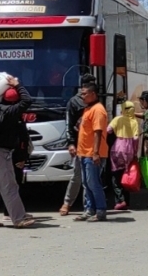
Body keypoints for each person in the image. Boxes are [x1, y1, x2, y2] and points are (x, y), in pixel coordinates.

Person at [0, 77, 36, 228]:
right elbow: (27, 100)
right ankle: (19, 219)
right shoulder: (11, 112)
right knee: (9, 186)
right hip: (2, 153)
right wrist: (18, 85)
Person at [59, 73, 96, 217]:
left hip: (94, 145)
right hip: (80, 144)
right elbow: (69, 124)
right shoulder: (74, 102)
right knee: (77, 176)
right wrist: (70, 143)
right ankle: (67, 203)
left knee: (91, 179)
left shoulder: (96, 102)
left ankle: (89, 206)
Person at [74, 82, 109, 222]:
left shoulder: (98, 110)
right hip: (83, 153)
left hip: (92, 154)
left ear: (93, 94)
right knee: (87, 183)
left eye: (84, 94)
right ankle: (90, 210)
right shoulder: (88, 109)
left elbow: (98, 132)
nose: (82, 96)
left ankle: (100, 211)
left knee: (93, 183)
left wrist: (95, 153)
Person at [108, 100, 140, 211]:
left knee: (116, 176)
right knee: (126, 175)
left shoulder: (117, 119)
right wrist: (135, 152)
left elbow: (108, 130)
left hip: (117, 149)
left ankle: (120, 200)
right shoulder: (134, 121)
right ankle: (127, 201)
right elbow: (136, 138)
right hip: (129, 151)